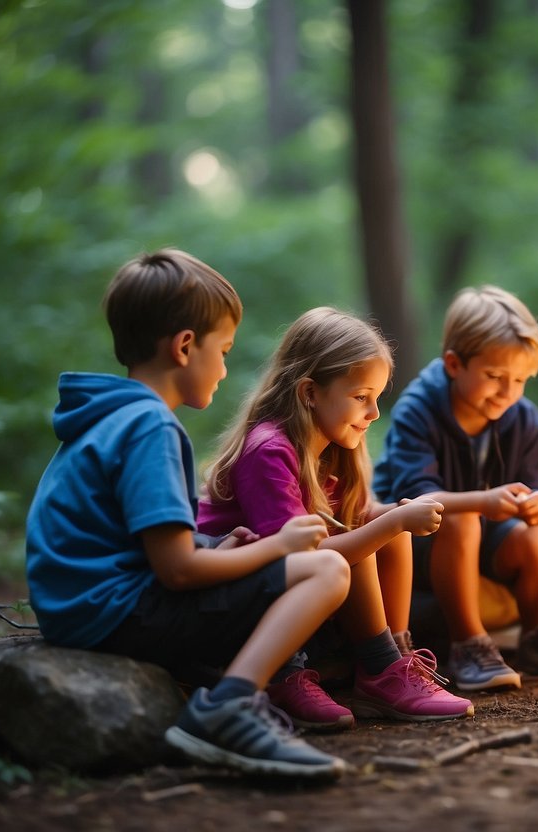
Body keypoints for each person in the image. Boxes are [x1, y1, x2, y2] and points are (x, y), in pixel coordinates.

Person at [25, 249, 349, 780]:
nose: (224, 368)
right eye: (222, 351)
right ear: (184, 347)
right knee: (327, 569)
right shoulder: (151, 427)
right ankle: (227, 707)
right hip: (113, 613)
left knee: (262, 563)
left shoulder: (108, 415)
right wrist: (278, 545)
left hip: (78, 608)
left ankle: (221, 691)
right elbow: (174, 572)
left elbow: (137, 542)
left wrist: (213, 551)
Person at [198, 307, 474, 727]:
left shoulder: (332, 452)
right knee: (378, 530)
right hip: (235, 607)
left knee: (383, 524)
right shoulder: (269, 450)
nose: (374, 412)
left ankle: (389, 664)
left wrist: (393, 519)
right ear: (310, 392)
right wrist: (390, 523)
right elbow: (293, 559)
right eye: (362, 397)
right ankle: (284, 674)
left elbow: (352, 524)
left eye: (377, 398)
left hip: (305, 598)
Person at [372, 286, 538, 692]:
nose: (508, 392)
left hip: (485, 542)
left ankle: (537, 636)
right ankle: (468, 646)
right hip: (410, 543)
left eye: (520, 380)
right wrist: (482, 502)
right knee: (460, 520)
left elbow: (535, 488)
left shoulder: (522, 418)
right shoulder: (418, 410)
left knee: (536, 534)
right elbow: (416, 500)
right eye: (494, 377)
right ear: (455, 365)